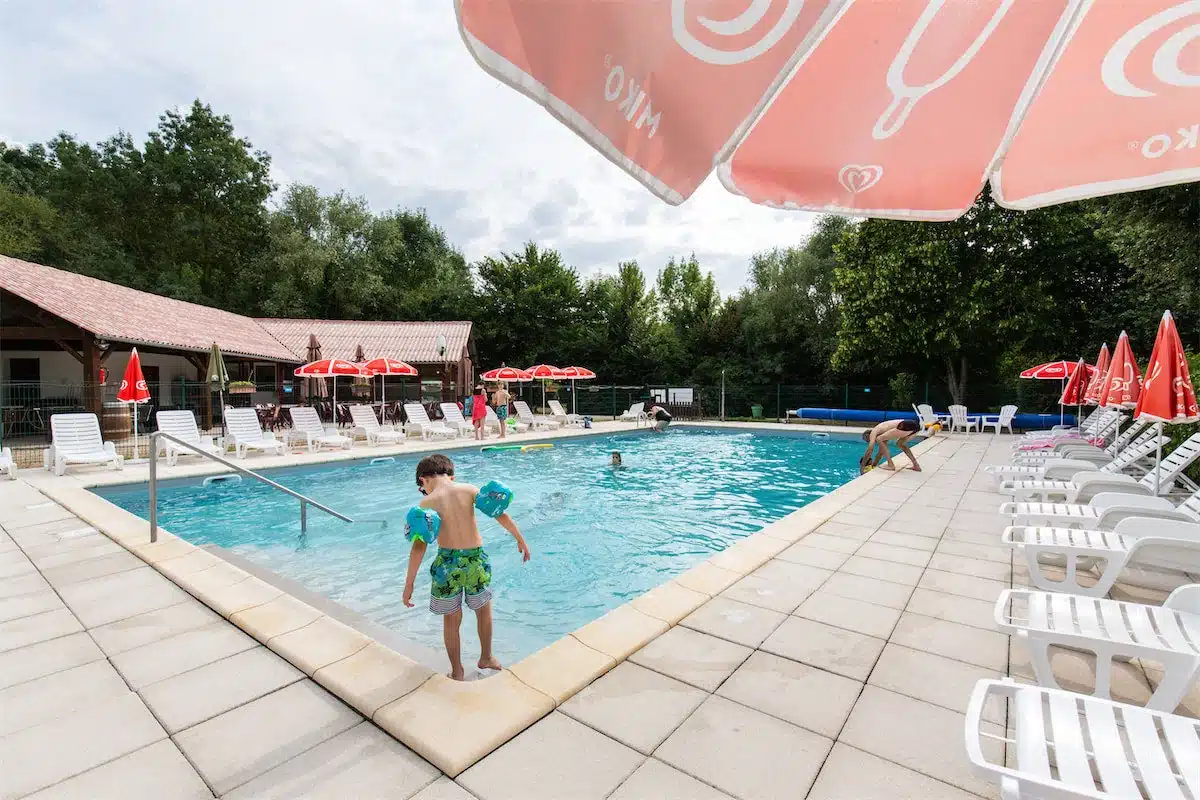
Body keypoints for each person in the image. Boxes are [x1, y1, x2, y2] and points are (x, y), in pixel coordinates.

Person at [402, 454, 530, 680]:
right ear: (451, 475)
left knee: (451, 620)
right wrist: (520, 538)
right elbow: (498, 513)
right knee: (484, 611)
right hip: (475, 561)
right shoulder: (468, 489)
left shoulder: (426, 504)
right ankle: (486, 657)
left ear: (423, 480)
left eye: (422, 488)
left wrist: (409, 583)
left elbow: (419, 547)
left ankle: (457, 671)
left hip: (447, 566)